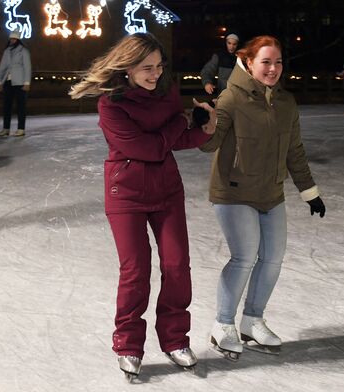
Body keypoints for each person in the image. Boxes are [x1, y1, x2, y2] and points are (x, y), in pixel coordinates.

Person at [69, 33, 216, 381]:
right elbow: (147, 148)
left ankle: (175, 340)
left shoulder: (167, 92)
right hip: (126, 196)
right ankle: (129, 345)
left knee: (178, 265)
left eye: (159, 66)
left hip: (167, 191)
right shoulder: (111, 105)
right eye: (147, 68)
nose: (155, 74)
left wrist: (204, 131)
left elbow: (173, 141)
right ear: (127, 68)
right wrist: (180, 123)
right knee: (136, 271)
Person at [199, 35, 326, 360]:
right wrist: (202, 124)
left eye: (278, 62)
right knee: (245, 257)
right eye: (266, 62)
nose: (272, 69)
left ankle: (252, 320)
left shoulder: (285, 103)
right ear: (249, 62)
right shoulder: (231, 99)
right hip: (233, 192)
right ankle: (223, 324)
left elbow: (295, 151)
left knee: (272, 259)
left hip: (271, 192)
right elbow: (210, 144)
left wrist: (309, 191)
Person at [0, 29, 31, 137]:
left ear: (18, 39)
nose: (12, 40)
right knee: (6, 106)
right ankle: (6, 128)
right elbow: (2, 66)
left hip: (19, 81)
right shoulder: (7, 51)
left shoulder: (23, 51)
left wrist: (27, 82)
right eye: (11, 38)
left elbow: (27, 66)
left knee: (21, 106)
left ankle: (21, 128)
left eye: (14, 38)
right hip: (8, 81)